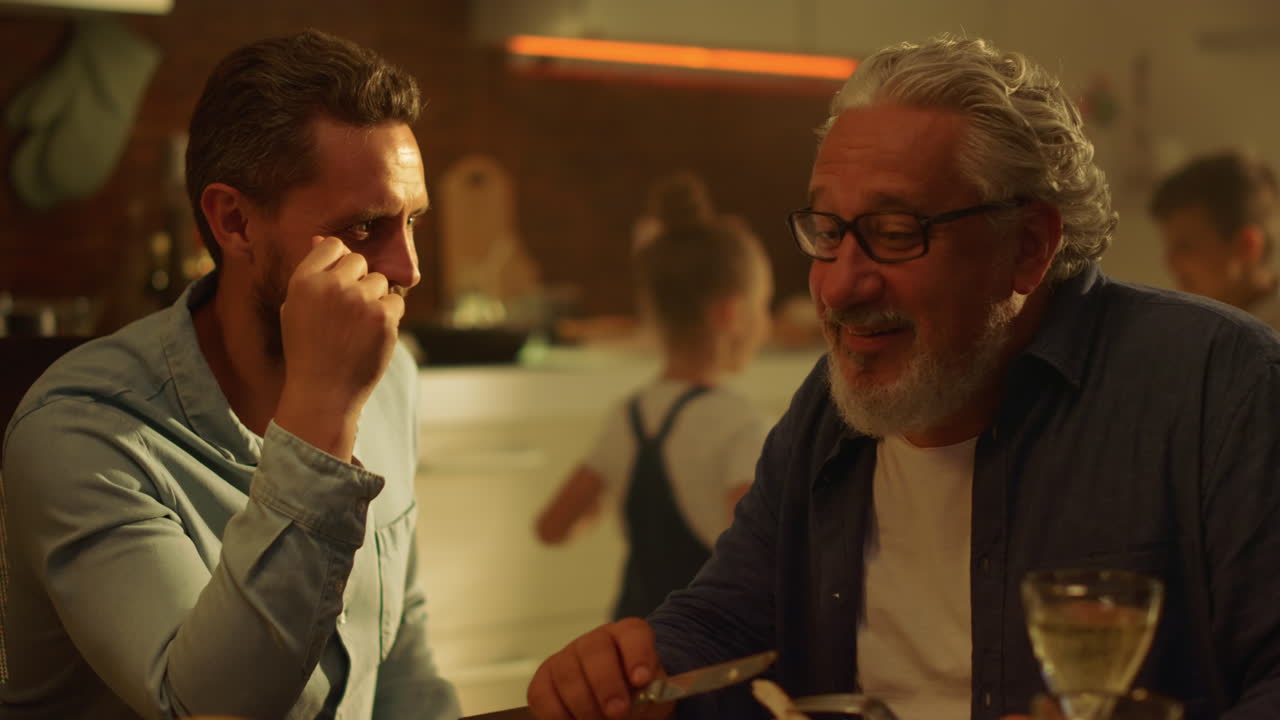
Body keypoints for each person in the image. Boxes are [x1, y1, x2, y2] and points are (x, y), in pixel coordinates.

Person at [526, 35, 1280, 720]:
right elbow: (729, 619)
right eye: (827, 231)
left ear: (1027, 247)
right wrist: (631, 669)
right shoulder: (827, 408)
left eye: (894, 234)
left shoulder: (1220, 389)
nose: (840, 287)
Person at [0, 30, 461, 719]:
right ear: (235, 222)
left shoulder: (390, 378)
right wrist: (322, 419)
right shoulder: (82, 432)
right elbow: (209, 708)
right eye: (367, 228)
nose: (409, 269)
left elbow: (402, 659)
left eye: (412, 220)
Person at [534, 200, 775, 621]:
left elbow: (552, 527)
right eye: (763, 307)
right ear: (731, 314)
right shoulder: (741, 425)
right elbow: (760, 556)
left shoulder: (627, 417)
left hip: (633, 649)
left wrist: (604, 502)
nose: (767, 323)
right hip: (706, 651)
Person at [1149, 150, 1280, 329]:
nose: (1170, 261)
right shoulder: (1194, 327)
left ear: (1246, 246)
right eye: (1170, 246)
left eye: (1185, 246)